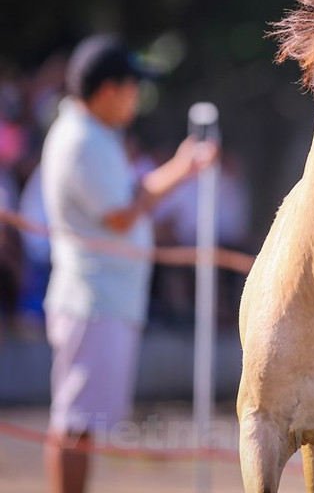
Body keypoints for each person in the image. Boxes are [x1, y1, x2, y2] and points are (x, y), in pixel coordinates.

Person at [41, 34, 217, 493]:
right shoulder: (82, 140)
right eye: (132, 86)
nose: (137, 96)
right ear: (108, 91)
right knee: (75, 422)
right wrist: (181, 169)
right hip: (92, 300)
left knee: (81, 422)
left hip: (101, 299)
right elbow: (120, 214)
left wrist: (178, 169)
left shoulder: (93, 135)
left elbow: (124, 203)